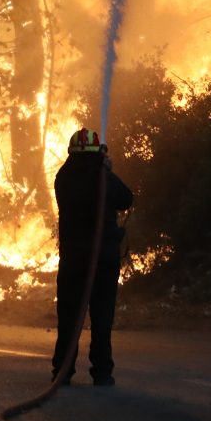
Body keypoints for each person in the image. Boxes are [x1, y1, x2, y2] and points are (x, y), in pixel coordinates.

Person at [51, 128, 134, 386]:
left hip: (73, 261)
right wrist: (106, 170)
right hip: (103, 261)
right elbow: (126, 199)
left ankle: (62, 372)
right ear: (97, 152)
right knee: (102, 316)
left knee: (69, 318)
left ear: (71, 153)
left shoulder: (62, 178)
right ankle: (102, 372)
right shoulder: (102, 178)